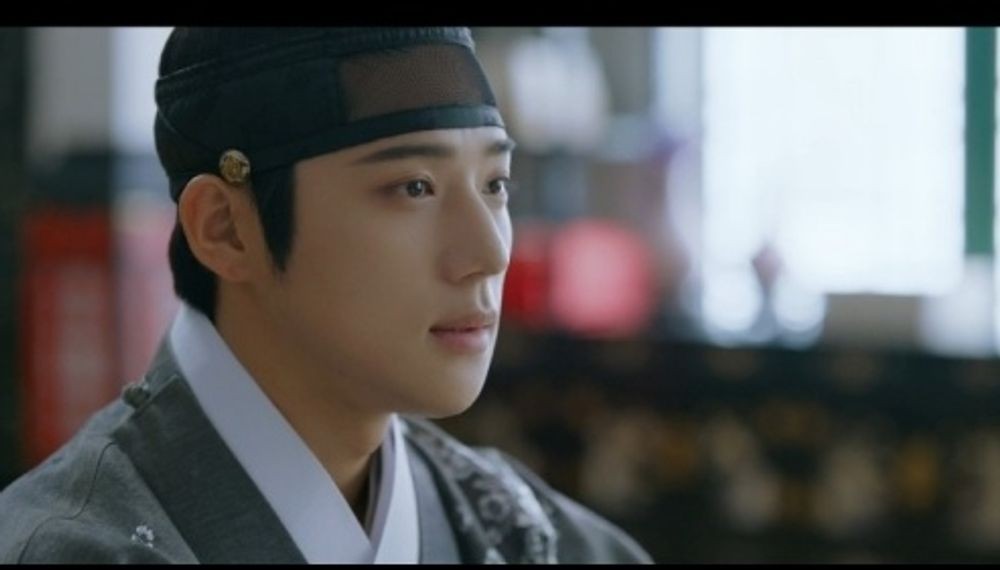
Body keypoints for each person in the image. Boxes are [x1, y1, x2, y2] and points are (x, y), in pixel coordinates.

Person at [0, 27, 653, 564]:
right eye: (415, 187)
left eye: (496, 185)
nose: (490, 253)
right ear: (227, 228)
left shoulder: (534, 542)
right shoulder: (72, 547)